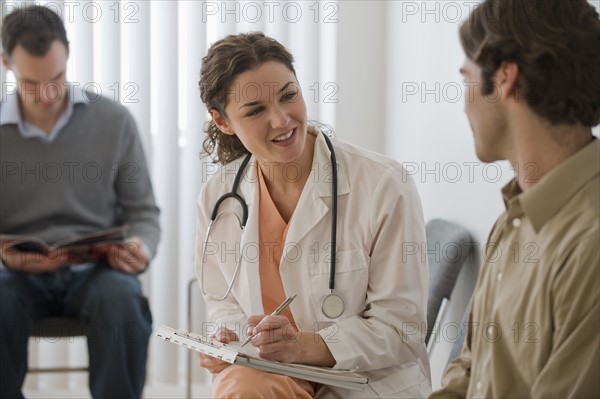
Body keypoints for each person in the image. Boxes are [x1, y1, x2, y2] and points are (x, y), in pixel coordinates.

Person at [195, 32, 431, 398]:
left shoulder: (383, 184)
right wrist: (228, 340)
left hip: (365, 379)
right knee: (244, 386)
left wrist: (304, 346)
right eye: (255, 110)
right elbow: (223, 302)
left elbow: (403, 331)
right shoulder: (218, 196)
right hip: (268, 376)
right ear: (222, 121)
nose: (281, 120)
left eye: (289, 96)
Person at [431, 0, 599, 397]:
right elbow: (469, 371)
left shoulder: (589, 244)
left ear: (505, 77)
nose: (465, 102)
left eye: (466, 79)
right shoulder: (514, 219)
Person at [0, 6, 160, 399]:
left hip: (96, 272)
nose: (48, 94)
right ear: (6, 63)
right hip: (14, 276)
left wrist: (140, 246)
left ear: (68, 54)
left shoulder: (115, 120)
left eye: (56, 78)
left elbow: (142, 213)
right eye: (31, 82)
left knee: (123, 298)